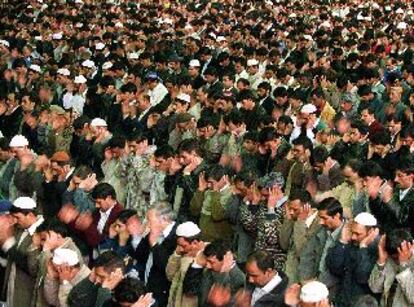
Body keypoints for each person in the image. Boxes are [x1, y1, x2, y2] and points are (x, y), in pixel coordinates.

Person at [326, 212, 380, 306]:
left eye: (358, 234)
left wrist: (363, 247)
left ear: (370, 232)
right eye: (352, 232)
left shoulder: (378, 250)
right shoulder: (351, 243)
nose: (353, 237)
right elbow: (335, 268)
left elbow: (362, 277)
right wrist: (342, 242)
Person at [0, 196, 44, 307]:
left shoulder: (41, 233)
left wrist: (8, 243)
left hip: (25, 295)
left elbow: (32, 268)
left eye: (17, 217)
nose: (15, 221)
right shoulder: (20, 228)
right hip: (11, 288)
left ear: (30, 215)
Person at [134, 202, 177, 307]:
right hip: (147, 285)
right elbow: (139, 255)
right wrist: (142, 235)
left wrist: (154, 244)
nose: (148, 224)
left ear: (164, 220)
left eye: (150, 220)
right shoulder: (154, 231)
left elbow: (166, 266)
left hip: (162, 293)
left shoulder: (177, 236)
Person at [182, 239, 245, 306]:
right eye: (207, 261)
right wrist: (197, 264)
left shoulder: (239, 279)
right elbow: (190, 291)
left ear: (225, 260)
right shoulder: (209, 271)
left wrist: (223, 273)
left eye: (211, 262)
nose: (208, 265)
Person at [369, 229, 414, 307]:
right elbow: (374, 288)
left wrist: (403, 265)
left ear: (410, 247)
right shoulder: (389, 257)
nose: (397, 261)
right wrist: (381, 262)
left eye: (397, 258)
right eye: (394, 258)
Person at [166, 221, 205, 307]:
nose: (181, 249)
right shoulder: (181, 252)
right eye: (178, 245)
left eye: (183, 246)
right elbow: (170, 276)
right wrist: (176, 254)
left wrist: (187, 260)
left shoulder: (206, 257)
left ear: (195, 243)